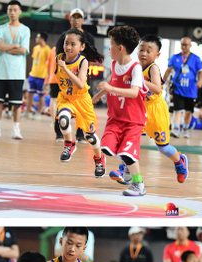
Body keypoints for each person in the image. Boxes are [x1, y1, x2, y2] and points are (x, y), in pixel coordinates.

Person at [111, 34, 189, 185]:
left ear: (157, 55)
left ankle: (180, 161)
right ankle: (125, 170)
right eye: (141, 50)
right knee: (129, 138)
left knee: (163, 148)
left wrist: (140, 80)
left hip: (156, 110)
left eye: (149, 50)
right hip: (139, 110)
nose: (144, 53)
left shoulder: (153, 68)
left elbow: (157, 89)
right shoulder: (134, 67)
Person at [92, 26, 149, 197]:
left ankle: (138, 184)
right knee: (106, 148)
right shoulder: (115, 64)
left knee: (127, 153)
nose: (109, 48)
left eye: (111, 44)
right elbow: (111, 83)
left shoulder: (135, 68)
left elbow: (134, 92)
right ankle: (128, 164)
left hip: (133, 120)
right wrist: (99, 94)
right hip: (115, 119)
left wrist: (110, 88)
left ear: (120, 48)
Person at [54, 29, 105, 177]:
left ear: (82, 47)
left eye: (73, 44)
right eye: (66, 43)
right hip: (66, 98)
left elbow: (81, 84)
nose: (68, 47)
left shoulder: (83, 61)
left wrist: (66, 69)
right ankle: (69, 144)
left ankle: (99, 159)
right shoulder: (58, 58)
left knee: (90, 137)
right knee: (63, 120)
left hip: (82, 100)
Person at [0, 0, 30, 140]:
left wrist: (6, 47)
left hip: (17, 72)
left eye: (15, 10)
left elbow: (23, 50)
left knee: (17, 103)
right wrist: (15, 45)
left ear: (20, 12)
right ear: (7, 12)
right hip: (1, 71)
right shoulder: (1, 28)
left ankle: (16, 130)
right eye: (10, 10)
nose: (12, 12)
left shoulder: (25, 29)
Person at [53, 8, 95, 143]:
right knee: (63, 100)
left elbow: (92, 55)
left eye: (78, 17)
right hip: (65, 74)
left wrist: (83, 69)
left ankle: (80, 134)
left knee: (81, 102)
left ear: (82, 20)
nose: (76, 20)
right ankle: (60, 133)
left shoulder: (88, 37)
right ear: (70, 19)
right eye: (73, 17)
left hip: (81, 72)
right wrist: (62, 68)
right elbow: (59, 54)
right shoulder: (64, 36)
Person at [163, 37, 202, 139]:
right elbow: (168, 71)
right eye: (182, 45)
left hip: (191, 90)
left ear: (190, 45)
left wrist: (200, 81)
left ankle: (185, 128)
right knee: (177, 110)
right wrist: (162, 81)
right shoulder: (175, 57)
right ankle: (175, 129)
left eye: (186, 45)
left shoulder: (196, 58)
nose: (184, 47)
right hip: (178, 89)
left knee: (188, 111)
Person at [23, 32, 50, 119]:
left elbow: (49, 64)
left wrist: (48, 76)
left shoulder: (47, 49)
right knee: (30, 94)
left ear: (42, 38)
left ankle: (38, 113)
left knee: (41, 95)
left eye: (38, 37)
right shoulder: (35, 48)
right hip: (33, 74)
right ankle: (27, 112)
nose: (36, 39)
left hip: (42, 76)